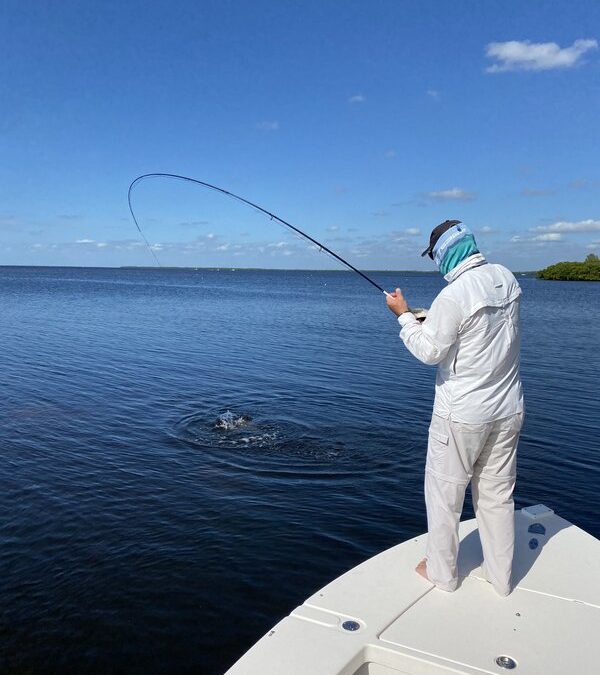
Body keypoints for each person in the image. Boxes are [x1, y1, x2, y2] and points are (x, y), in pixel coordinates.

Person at [386, 220, 524, 597]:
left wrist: (402, 315)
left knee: (444, 496)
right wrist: (427, 318)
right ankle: (501, 578)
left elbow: (431, 352)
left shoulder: (453, 296)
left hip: (462, 416)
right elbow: (480, 328)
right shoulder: (506, 278)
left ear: (444, 253)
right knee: (497, 497)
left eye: (434, 256)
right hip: (508, 409)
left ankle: (442, 575)